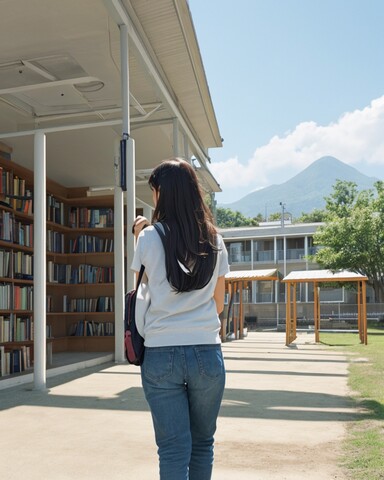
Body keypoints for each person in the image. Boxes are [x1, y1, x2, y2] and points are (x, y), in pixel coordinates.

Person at [131, 158, 229, 480]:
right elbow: (218, 303)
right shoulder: (215, 239)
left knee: (172, 448)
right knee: (202, 443)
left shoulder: (147, 238)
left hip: (160, 352)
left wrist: (138, 237)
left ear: (162, 193)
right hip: (206, 351)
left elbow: (140, 295)